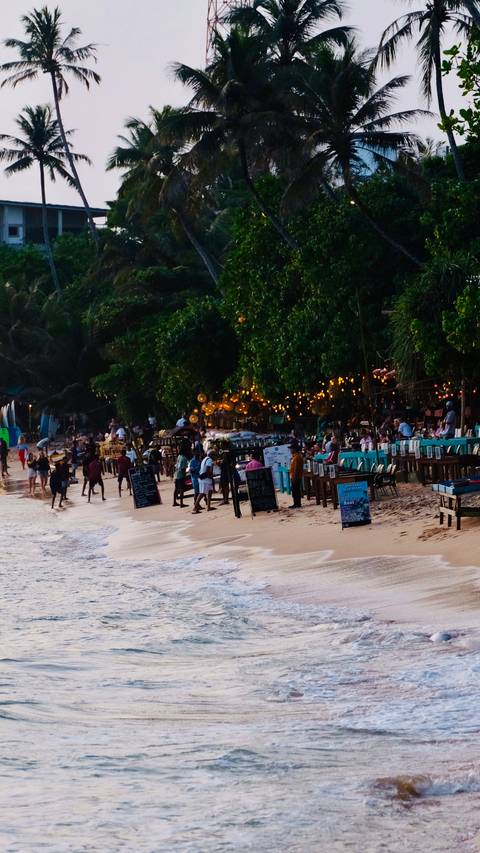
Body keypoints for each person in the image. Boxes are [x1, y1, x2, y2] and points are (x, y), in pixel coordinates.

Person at [289, 441, 304, 509]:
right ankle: (296, 503)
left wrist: (294, 477)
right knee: (295, 490)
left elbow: (296, 469)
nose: (290, 450)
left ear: (294, 449)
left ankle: (297, 503)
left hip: (296, 476)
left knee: (295, 490)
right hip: (294, 476)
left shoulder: (297, 457)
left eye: (291, 448)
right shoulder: (295, 457)